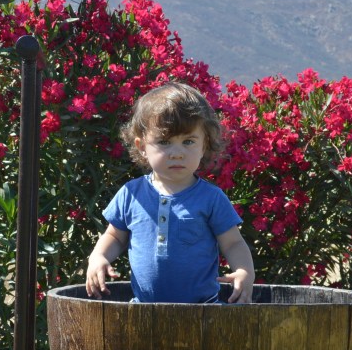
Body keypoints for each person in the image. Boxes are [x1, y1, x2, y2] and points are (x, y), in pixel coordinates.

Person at [86, 81, 255, 304]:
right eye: (164, 142)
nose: (177, 153)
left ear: (204, 145)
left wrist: (244, 271)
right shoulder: (131, 194)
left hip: (203, 310)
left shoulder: (211, 199)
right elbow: (115, 236)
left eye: (188, 141)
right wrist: (98, 257)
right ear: (142, 147)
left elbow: (233, 243)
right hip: (143, 310)